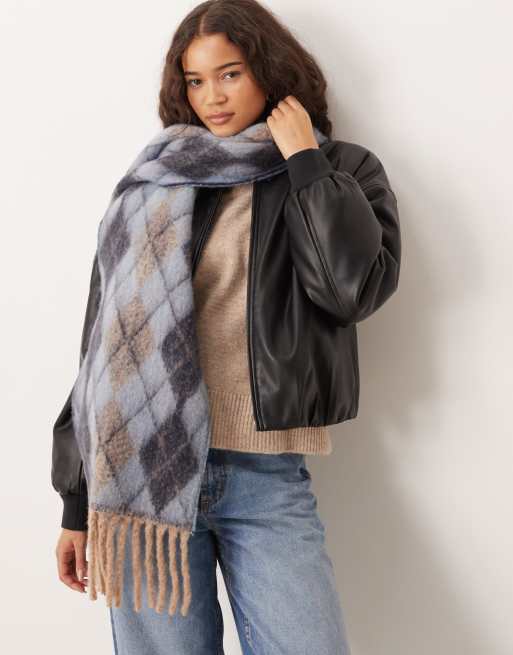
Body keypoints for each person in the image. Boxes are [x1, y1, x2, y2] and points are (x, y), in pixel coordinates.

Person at [51, 0, 401, 653]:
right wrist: (75, 500)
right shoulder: (152, 181)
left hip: (263, 473)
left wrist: (305, 163)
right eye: (195, 80)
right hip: (137, 476)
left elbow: (350, 289)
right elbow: (99, 345)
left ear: (270, 69)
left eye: (230, 73)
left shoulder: (342, 170)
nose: (211, 96)